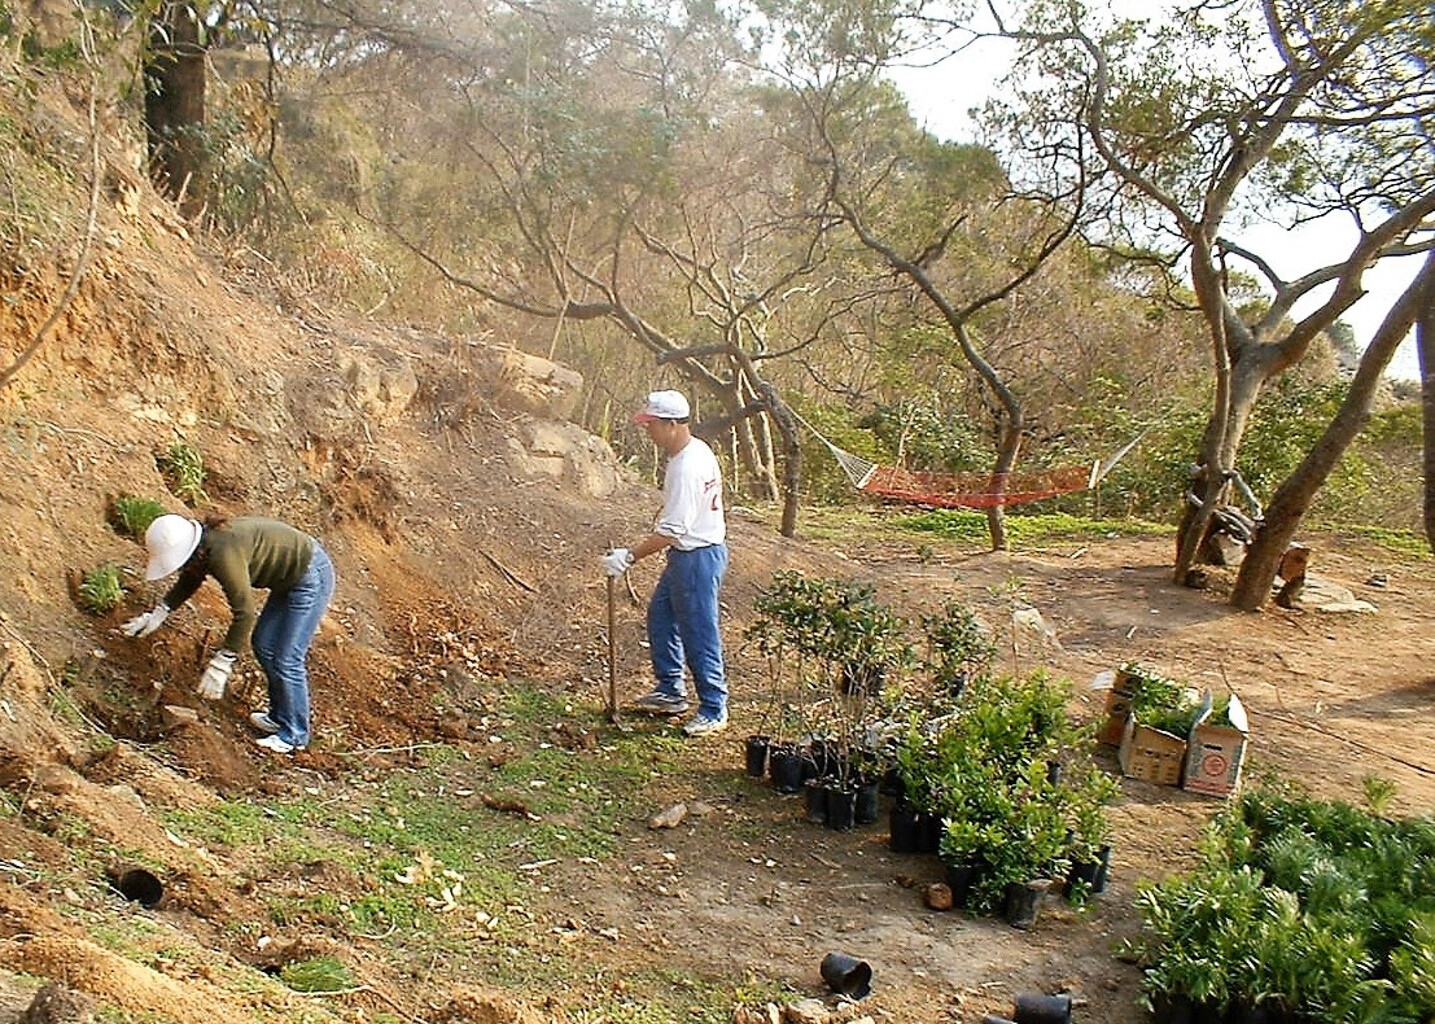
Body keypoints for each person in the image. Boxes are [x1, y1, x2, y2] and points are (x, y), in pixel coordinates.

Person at [122, 513, 336, 754]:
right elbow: (191, 580)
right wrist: (161, 611)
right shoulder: (208, 545)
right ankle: (280, 716)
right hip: (290, 577)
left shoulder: (223, 555)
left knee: (287, 657)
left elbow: (245, 614)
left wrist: (223, 662)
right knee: (264, 644)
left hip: (309, 575)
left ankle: (295, 734)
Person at [603, 389, 729, 737]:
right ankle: (671, 691)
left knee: (699, 632)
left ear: (673, 424)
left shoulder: (688, 466)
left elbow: (673, 531)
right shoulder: (691, 450)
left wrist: (628, 557)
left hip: (697, 557)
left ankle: (714, 707)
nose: (649, 431)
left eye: (653, 425)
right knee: (661, 616)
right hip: (688, 556)